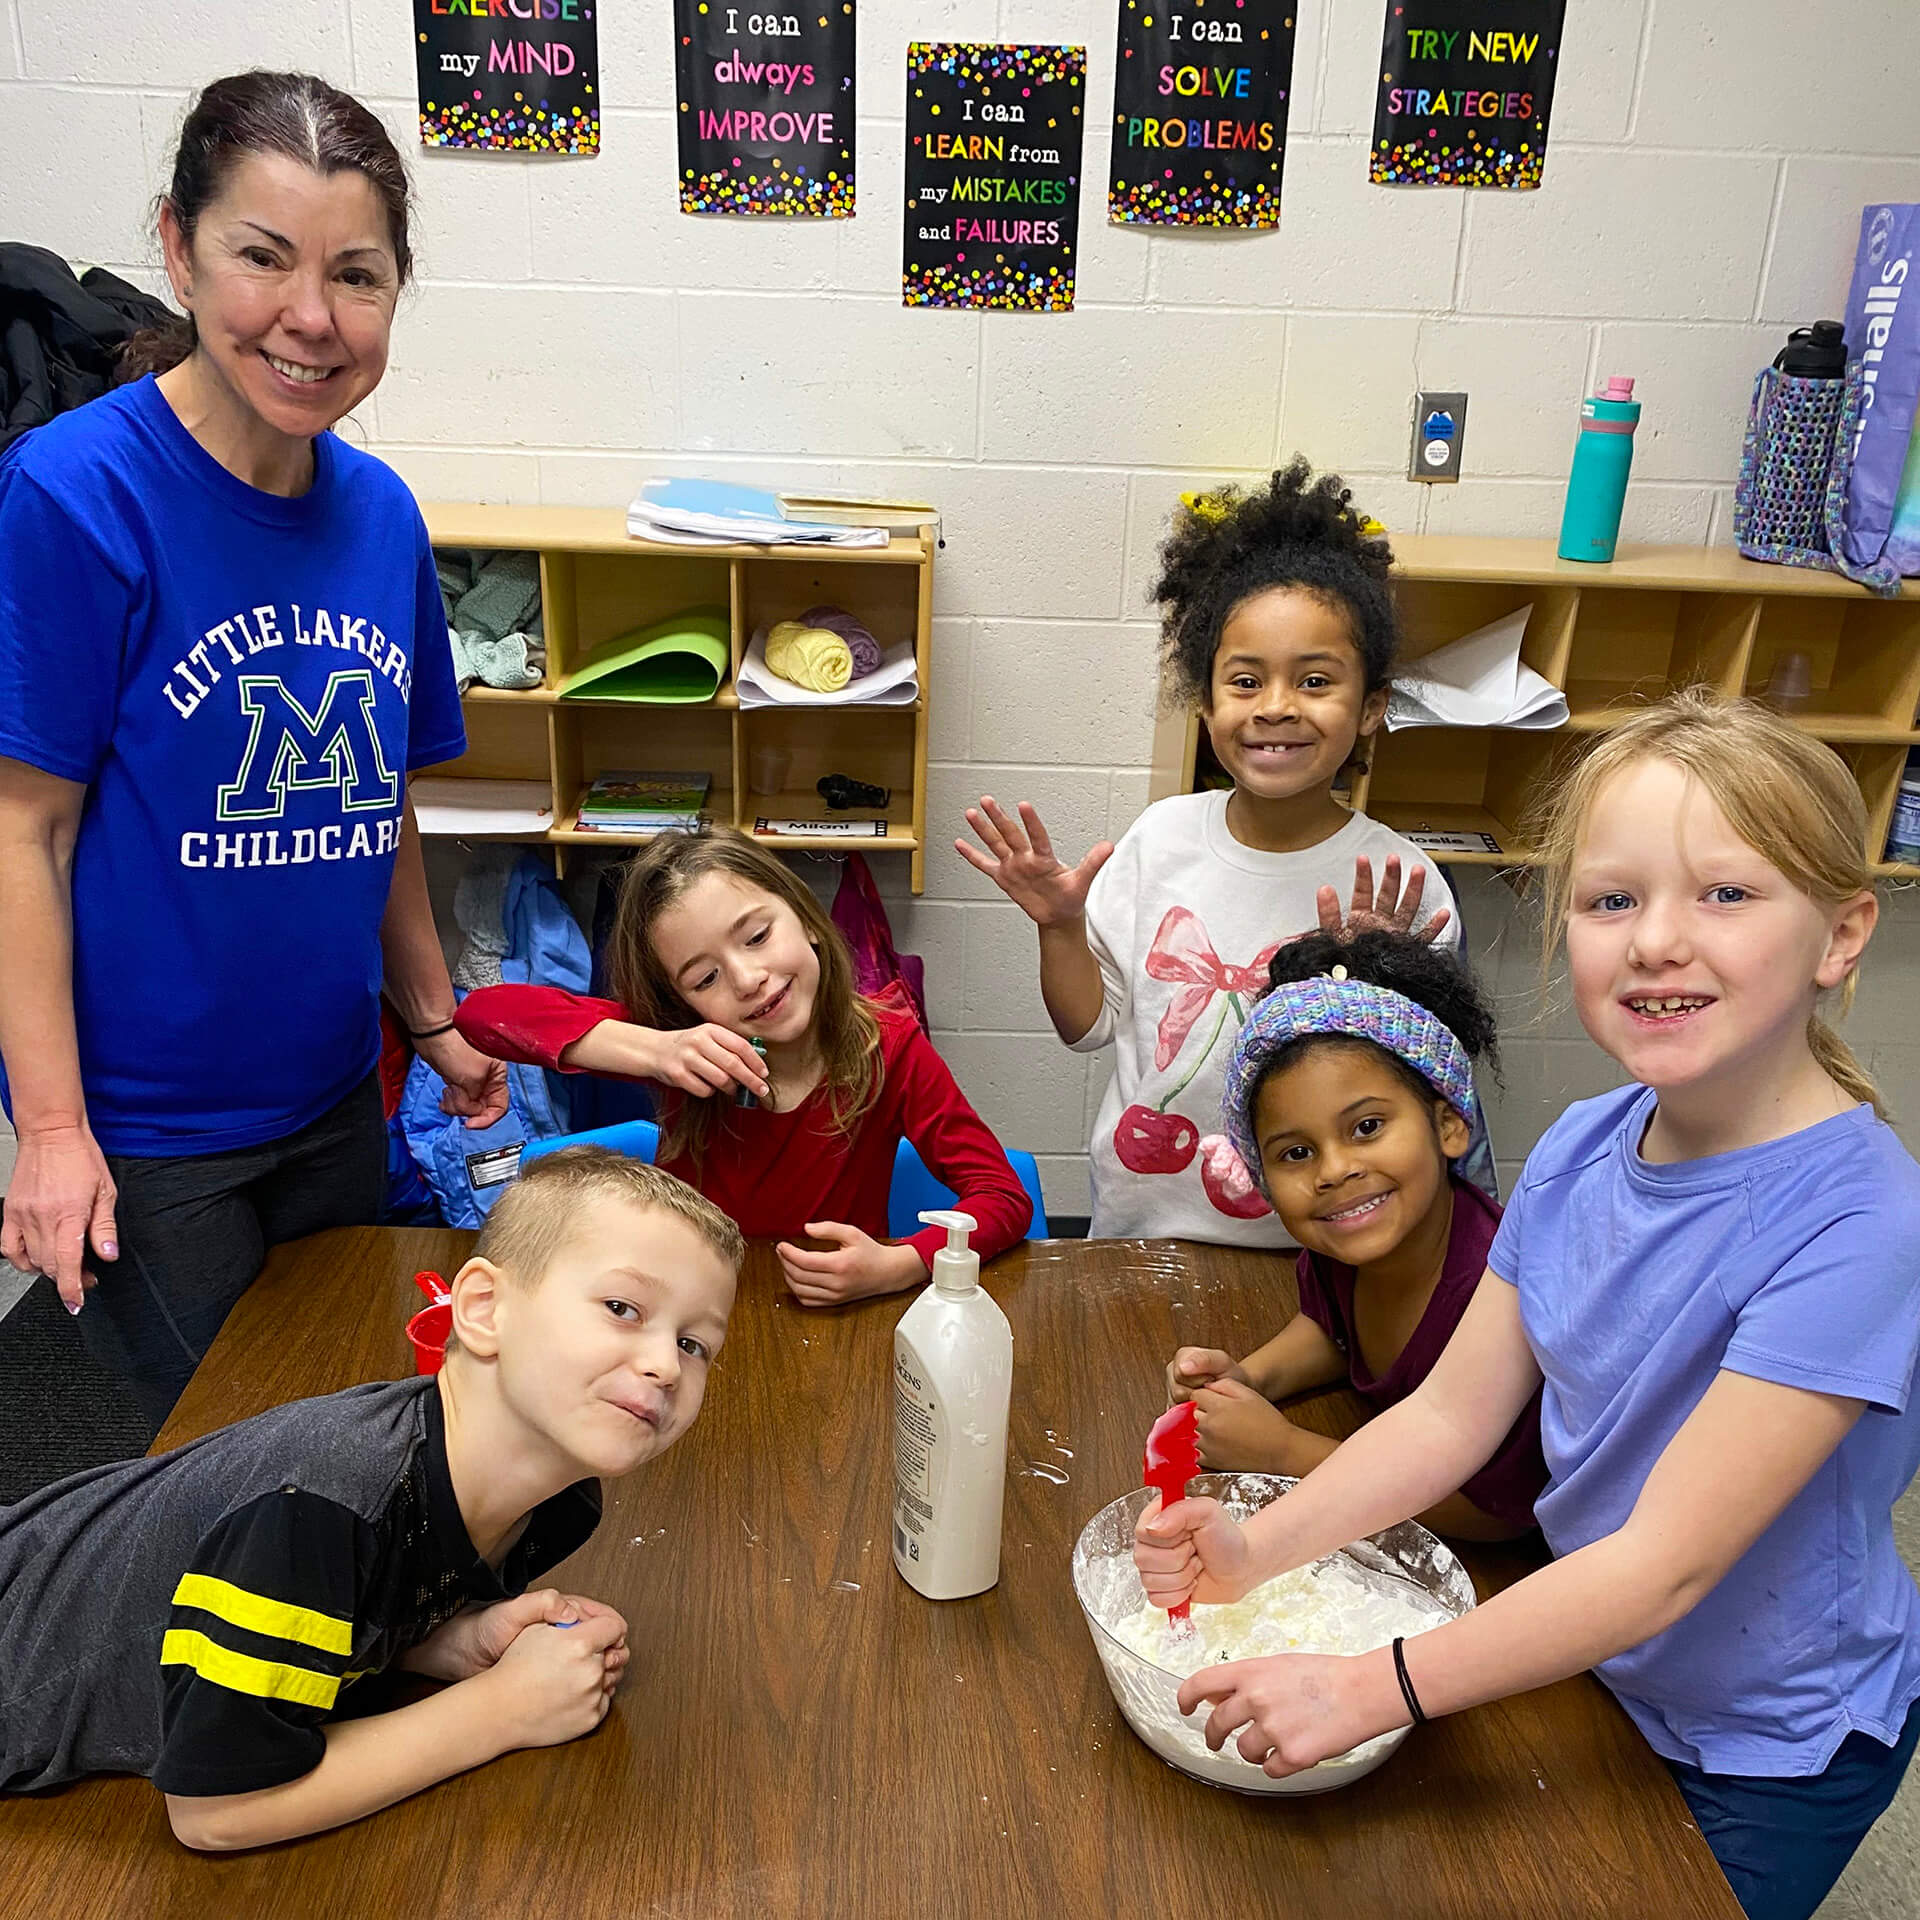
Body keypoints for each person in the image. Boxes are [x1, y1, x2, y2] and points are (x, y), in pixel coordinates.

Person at [1134, 690, 1920, 1920]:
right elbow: (1449, 1419)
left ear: (1840, 933)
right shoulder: (1581, 1145)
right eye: (1613, 901)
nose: (1656, 941)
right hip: (1588, 1652)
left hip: (1766, 1744)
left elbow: (1664, 1564)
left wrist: (1367, 1687)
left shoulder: (1861, 1226)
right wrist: (1255, 1549)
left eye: (1726, 892)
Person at [0, 71, 507, 1427]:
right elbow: (21, 832)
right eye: (261, 257)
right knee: (235, 1452)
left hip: (332, 1088)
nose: (310, 318)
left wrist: (434, 1022)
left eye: (356, 275)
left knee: (347, 1405)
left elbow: (375, 799)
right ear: (178, 243)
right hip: (152, 1133)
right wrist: (50, 1135)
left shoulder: (382, 515)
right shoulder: (75, 493)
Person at [0, 1146, 741, 1850]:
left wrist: (441, 1645)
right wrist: (502, 1710)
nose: (663, 1366)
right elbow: (214, 1810)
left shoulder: (560, 1503)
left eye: (693, 1344)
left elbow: (346, 1601)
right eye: (622, 1307)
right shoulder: (323, 1505)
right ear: (482, 1309)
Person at [956, 458, 1462, 1245]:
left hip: (1321, 1245)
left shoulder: (1403, 884)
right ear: (1206, 699)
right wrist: (1059, 926)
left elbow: (1429, 1098)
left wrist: (1377, 981)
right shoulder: (1160, 839)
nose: (1278, 708)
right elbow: (1086, 1028)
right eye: (1246, 681)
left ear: (1371, 709)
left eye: (1317, 680)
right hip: (1141, 1223)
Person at [454, 826, 1032, 1303]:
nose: (748, 980)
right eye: (705, 978)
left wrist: (902, 1262)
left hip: (828, 1321)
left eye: (757, 936)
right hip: (683, 1312)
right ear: (685, 1002)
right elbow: (483, 1014)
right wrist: (657, 1050)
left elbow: (1002, 1197)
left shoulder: (889, 1048)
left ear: (804, 917)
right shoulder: (684, 1047)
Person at [1166, 929, 1541, 1541]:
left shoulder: (1496, 1294)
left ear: (1448, 1124)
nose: (1334, 1170)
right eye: (1296, 1152)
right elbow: (1332, 1330)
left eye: (1366, 1126)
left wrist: (1283, 1450)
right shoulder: (1344, 1247)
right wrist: (1249, 1381)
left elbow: (1490, 1517)